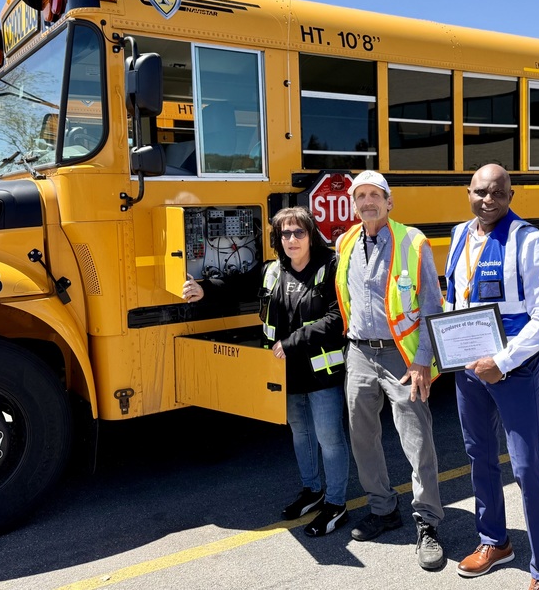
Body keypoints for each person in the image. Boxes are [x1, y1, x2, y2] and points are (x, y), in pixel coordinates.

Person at [183, 206, 350, 537]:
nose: (291, 239)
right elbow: (236, 285)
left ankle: (336, 503)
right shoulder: (273, 271)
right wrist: (205, 290)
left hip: (321, 373)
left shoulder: (330, 268)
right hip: (285, 374)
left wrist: (291, 343)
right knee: (300, 433)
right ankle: (312, 490)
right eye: (284, 234)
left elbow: (336, 319)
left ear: (311, 235)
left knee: (329, 438)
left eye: (298, 232)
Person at [443, 164, 539, 590]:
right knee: (479, 456)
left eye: (498, 193)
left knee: (528, 466)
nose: (488, 200)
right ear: (468, 192)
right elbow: (456, 298)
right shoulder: (459, 236)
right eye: (480, 192)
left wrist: (505, 360)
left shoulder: (529, 241)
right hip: (469, 370)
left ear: (511, 195)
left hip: (513, 369)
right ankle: (494, 541)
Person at [333, 170, 446, 570]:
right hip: (360, 354)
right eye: (360, 195)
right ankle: (383, 509)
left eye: (374, 195)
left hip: (402, 358)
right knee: (362, 437)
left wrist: (422, 360)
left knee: (417, 441)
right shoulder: (345, 241)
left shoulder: (413, 241)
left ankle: (428, 522)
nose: (367, 202)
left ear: (389, 201)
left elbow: (433, 304)